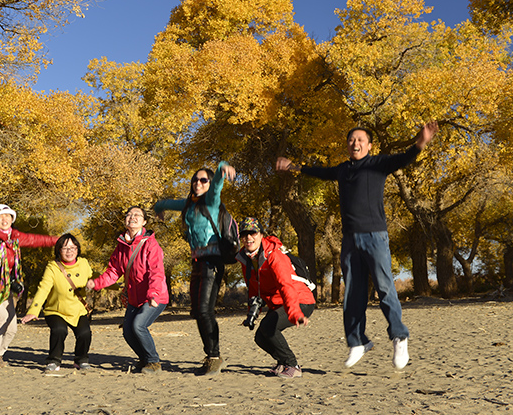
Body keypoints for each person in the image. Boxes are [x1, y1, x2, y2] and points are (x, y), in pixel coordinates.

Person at [276, 122, 439, 369]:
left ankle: (399, 337)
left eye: (361, 139)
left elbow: (404, 159)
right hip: (350, 240)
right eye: (352, 139)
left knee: (385, 287)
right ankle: (358, 341)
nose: (356, 143)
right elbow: (320, 171)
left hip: (375, 236)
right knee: (352, 292)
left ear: (369, 145)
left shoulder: (378, 164)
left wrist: (421, 143)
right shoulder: (342, 170)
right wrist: (294, 167)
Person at [154, 162, 236, 375]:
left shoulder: (211, 200)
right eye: (194, 180)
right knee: (197, 312)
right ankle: (211, 354)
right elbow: (163, 202)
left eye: (203, 180)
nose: (197, 183)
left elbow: (217, 184)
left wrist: (222, 168)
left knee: (204, 310)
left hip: (213, 261)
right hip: (198, 262)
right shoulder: (188, 204)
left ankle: (214, 356)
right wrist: (158, 209)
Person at [0, 204, 58, 371]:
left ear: (12, 219)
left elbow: (35, 240)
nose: (5, 219)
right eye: (0, 216)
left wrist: (58, 240)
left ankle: (0, 355)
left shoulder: (14, 238)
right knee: (1, 318)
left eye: (8, 216)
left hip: (5, 289)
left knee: (12, 327)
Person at [87, 206, 168, 374]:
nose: (132, 217)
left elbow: (156, 272)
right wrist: (96, 283)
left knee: (139, 326)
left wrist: (153, 293)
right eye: (129, 214)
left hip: (155, 296)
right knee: (127, 332)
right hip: (134, 298)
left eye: (137, 215)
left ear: (144, 222)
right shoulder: (121, 246)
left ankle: (153, 362)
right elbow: (113, 272)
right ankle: (145, 358)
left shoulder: (151, 244)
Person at [236, 217, 315, 378]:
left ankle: (293, 365)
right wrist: (252, 313)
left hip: (300, 301)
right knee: (260, 337)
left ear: (261, 234)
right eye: (244, 234)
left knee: (268, 328)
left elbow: (287, 286)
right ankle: (283, 362)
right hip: (279, 304)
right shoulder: (247, 259)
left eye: (253, 233)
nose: (249, 238)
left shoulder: (274, 255)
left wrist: (295, 313)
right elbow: (253, 289)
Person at [21, 234, 93, 372]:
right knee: (59, 330)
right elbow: (43, 289)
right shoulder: (53, 267)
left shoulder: (84, 263)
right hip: (56, 310)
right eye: (65, 248)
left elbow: (96, 279)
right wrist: (33, 311)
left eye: (73, 247)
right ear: (58, 250)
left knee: (85, 333)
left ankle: (81, 360)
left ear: (78, 249)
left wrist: (114, 285)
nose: (69, 251)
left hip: (77, 309)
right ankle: (54, 360)